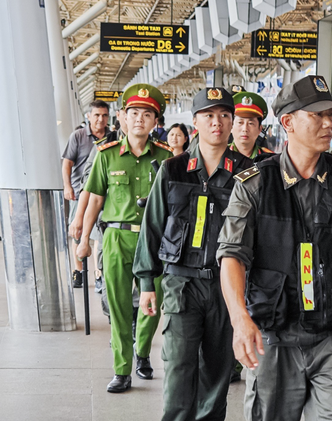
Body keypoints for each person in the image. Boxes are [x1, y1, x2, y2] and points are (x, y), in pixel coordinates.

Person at [217, 75, 332, 421]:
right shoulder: (255, 185)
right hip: (275, 335)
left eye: (330, 114)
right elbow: (232, 255)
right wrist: (239, 319)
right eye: (317, 115)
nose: (328, 122)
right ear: (288, 122)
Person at [133, 87, 252, 420]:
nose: (218, 123)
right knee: (179, 368)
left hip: (226, 287)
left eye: (225, 116)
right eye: (209, 115)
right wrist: (146, 282)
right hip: (180, 285)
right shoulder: (172, 169)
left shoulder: (248, 173)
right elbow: (152, 226)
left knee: (217, 372)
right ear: (195, 121)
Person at [76, 84, 173, 393]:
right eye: (134, 113)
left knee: (151, 303)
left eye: (147, 114)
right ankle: (122, 369)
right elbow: (95, 199)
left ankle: (142, 352)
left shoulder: (167, 159)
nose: (139, 119)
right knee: (117, 304)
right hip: (116, 237)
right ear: (121, 117)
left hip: (154, 240)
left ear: (156, 121)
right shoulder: (106, 155)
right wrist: (84, 239)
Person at [62, 100, 114, 288]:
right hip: (80, 193)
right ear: (89, 116)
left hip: (103, 193)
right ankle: (79, 271)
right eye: (97, 115)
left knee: (100, 234)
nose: (101, 119)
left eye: (104, 115)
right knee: (78, 233)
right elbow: (67, 163)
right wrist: (68, 187)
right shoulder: (78, 136)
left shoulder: (113, 136)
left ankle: (98, 273)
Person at [229, 91, 274, 159]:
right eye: (240, 122)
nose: (245, 129)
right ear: (231, 126)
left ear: (260, 129)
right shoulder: (218, 156)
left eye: (251, 123)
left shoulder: (269, 159)